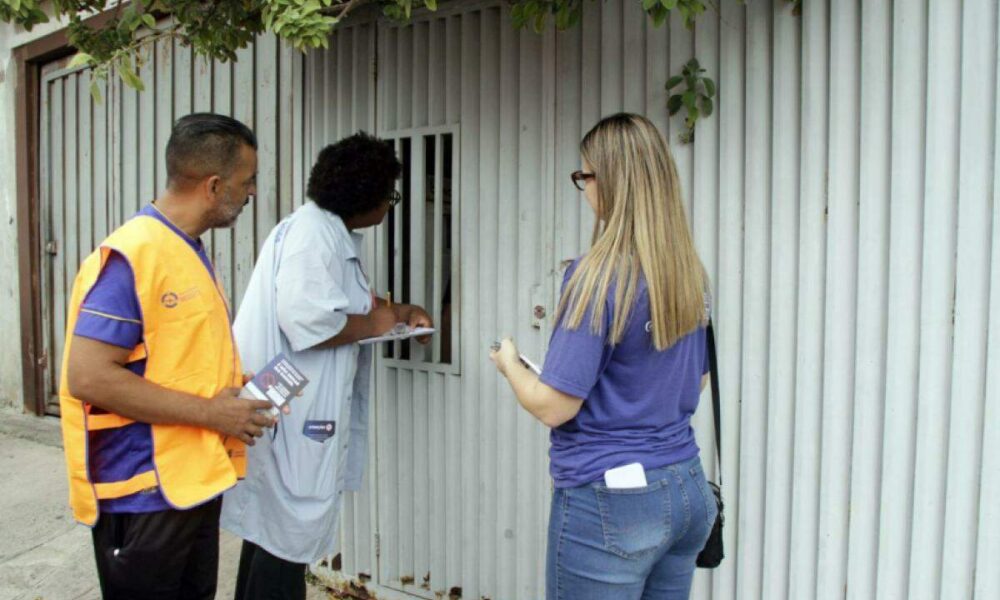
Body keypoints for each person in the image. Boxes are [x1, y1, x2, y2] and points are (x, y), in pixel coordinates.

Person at [490, 113, 716, 600]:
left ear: (610, 182)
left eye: (585, 176)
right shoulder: (689, 273)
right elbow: (694, 382)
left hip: (612, 500)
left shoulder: (598, 276)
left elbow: (555, 405)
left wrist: (509, 363)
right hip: (686, 485)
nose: (584, 187)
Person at [60, 113, 275, 599]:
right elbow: (89, 377)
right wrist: (211, 411)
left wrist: (234, 394)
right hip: (141, 496)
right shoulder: (134, 255)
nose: (252, 193)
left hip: (187, 483)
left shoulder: (185, 248)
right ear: (214, 185)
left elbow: (174, 360)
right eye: (248, 182)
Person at [222, 132, 433, 600]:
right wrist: (377, 321)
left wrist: (397, 312)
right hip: (290, 398)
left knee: (274, 528)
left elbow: (339, 303)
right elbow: (306, 320)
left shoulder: (324, 232)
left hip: (287, 391)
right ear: (366, 197)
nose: (388, 206)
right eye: (389, 196)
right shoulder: (313, 236)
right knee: (286, 528)